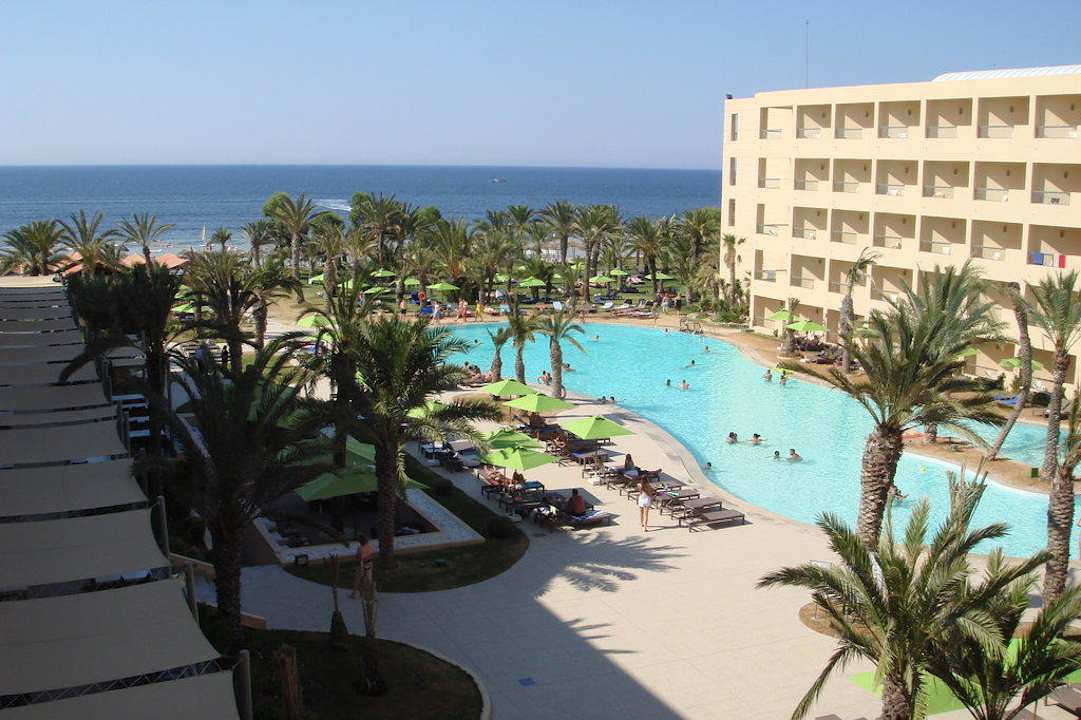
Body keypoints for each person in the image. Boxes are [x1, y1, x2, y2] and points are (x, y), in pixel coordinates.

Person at [349, 534, 376, 599]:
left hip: (361, 565)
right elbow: (372, 555)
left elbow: (358, 557)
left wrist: (362, 559)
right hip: (369, 565)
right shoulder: (369, 547)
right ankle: (370, 594)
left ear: (360, 541)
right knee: (368, 580)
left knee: (358, 580)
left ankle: (354, 594)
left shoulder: (360, 548)